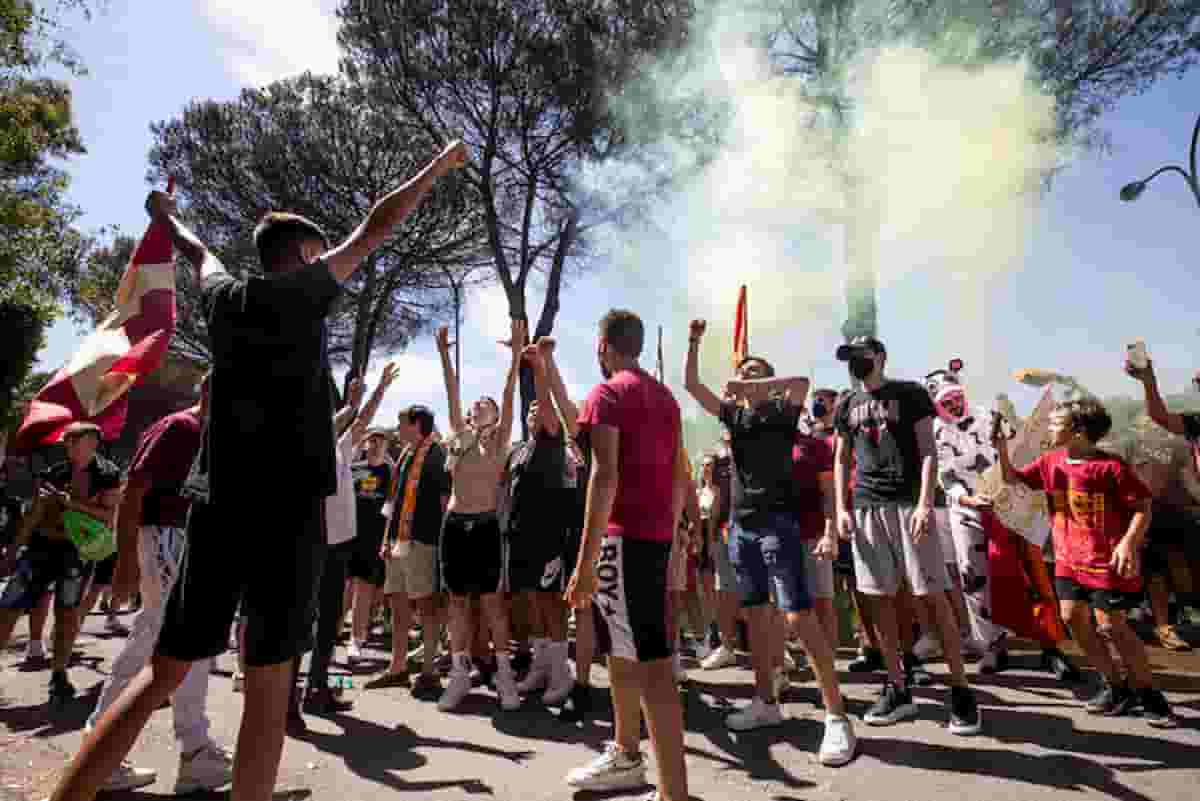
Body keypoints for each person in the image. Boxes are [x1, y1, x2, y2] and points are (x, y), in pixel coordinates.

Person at [46, 139, 470, 801]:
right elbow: (377, 226)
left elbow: (198, 253)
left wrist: (166, 216)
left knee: (160, 673)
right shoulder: (303, 291)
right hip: (287, 515)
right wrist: (437, 166)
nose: (324, 260)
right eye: (317, 251)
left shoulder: (224, 298)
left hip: (217, 509)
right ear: (299, 255)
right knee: (270, 691)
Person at [683, 320, 856, 765]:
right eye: (745, 372)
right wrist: (694, 342)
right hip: (740, 528)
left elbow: (800, 383)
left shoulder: (782, 412)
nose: (748, 376)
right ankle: (765, 702)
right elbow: (692, 385)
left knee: (798, 616)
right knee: (757, 617)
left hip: (778, 526)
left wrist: (752, 384)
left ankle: (837, 716)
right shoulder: (734, 415)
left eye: (757, 371)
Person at [83, 375, 234, 793]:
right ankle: (182, 750)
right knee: (172, 640)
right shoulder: (179, 427)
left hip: (187, 544)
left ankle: (177, 750)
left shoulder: (212, 436)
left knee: (169, 643)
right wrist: (124, 563)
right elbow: (134, 491)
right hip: (165, 539)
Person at [564, 309, 689, 801]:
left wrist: (584, 564)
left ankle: (673, 792)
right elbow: (679, 475)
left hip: (623, 540)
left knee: (652, 664)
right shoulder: (666, 397)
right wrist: (672, 537)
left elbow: (604, 477)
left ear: (603, 346)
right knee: (623, 652)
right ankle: (626, 754)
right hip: (652, 539)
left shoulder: (607, 393)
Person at [993, 397, 1174, 727]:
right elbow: (1013, 479)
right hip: (1068, 561)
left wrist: (1128, 544)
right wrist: (1001, 449)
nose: (1049, 428)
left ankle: (1149, 694)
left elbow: (1142, 508)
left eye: (1055, 423)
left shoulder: (1111, 468)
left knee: (1111, 627)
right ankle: (1116, 687)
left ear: (1077, 431)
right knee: (1072, 619)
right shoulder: (1050, 461)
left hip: (1105, 564)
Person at [833, 336, 981, 735]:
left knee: (931, 596)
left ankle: (961, 690)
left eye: (862, 356)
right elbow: (841, 458)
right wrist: (842, 508)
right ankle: (897, 686)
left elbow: (928, 450)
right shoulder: (846, 403)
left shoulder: (910, 393)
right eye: (850, 358)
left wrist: (923, 503)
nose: (856, 363)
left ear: (881, 357)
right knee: (879, 599)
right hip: (866, 508)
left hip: (907, 505)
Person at [924, 364, 1080, 680]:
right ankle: (993, 646)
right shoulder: (934, 433)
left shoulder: (990, 416)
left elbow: (1022, 450)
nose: (954, 404)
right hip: (967, 510)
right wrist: (967, 499)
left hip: (1010, 505)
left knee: (1031, 574)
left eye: (956, 397)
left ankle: (1051, 646)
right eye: (946, 402)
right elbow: (946, 477)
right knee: (973, 578)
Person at [298, 367, 397, 724]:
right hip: (313, 544)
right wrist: (353, 405)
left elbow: (361, 422)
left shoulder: (341, 447)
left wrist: (377, 391)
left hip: (339, 544)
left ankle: (318, 689)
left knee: (328, 622)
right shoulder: (310, 444)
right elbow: (343, 422)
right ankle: (291, 699)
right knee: (304, 622)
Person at [435, 319, 525, 712]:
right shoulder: (460, 436)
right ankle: (458, 675)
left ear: (495, 414)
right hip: (454, 526)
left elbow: (509, 393)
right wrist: (444, 355)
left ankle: (505, 676)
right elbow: (451, 391)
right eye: (476, 405)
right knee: (456, 603)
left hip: (486, 526)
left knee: (492, 605)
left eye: (485, 405)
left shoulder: (501, 441)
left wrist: (516, 354)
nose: (477, 406)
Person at [0, 422, 121, 707]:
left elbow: (108, 517)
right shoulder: (54, 472)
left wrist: (71, 503)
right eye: (68, 441)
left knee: (67, 613)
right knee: (8, 607)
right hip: (40, 549)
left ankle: (59, 674)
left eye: (75, 440)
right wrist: (13, 551)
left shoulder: (107, 474)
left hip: (75, 554)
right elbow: (34, 514)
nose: (69, 445)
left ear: (92, 442)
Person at [507, 345, 575, 707]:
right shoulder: (522, 449)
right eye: (530, 409)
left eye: (540, 408)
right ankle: (541, 665)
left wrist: (538, 367)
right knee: (531, 600)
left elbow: (546, 404)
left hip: (550, 534)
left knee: (551, 603)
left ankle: (561, 673)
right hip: (521, 535)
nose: (535, 411)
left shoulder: (553, 438)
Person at [369, 404, 451, 694]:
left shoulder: (437, 454)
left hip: (423, 542)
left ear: (416, 425)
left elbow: (444, 502)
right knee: (398, 603)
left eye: (402, 423)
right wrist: (386, 539)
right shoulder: (405, 454)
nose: (397, 428)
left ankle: (429, 671)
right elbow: (393, 502)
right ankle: (398, 668)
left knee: (427, 605)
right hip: (397, 542)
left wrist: (441, 546)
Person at [346, 379, 398, 668]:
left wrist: (388, 538)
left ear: (387, 445)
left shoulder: (392, 472)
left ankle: (358, 637)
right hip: (348, 537)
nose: (375, 443)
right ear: (365, 444)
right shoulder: (353, 468)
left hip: (375, 540)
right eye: (372, 439)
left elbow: (392, 505)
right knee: (346, 590)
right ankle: (337, 635)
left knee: (368, 591)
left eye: (380, 440)